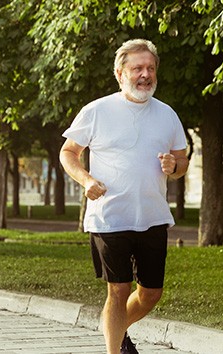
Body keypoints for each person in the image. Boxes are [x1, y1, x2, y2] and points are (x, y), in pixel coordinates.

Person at [60, 39, 188, 354]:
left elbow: (182, 162)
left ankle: (116, 331)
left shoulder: (167, 114)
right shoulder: (97, 110)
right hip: (109, 215)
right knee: (118, 290)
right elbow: (68, 152)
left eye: (150, 68)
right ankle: (114, 350)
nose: (145, 74)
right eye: (138, 68)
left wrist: (174, 167)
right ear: (120, 73)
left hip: (152, 215)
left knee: (150, 294)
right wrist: (86, 179)